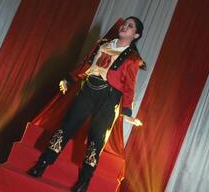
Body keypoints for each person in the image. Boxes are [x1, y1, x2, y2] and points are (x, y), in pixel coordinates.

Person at [27, 16, 145, 192]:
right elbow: (86, 65)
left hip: (109, 98)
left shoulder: (133, 59)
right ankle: (42, 163)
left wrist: (126, 111)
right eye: (124, 23)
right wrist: (69, 79)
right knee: (65, 128)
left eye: (130, 26)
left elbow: (129, 87)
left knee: (96, 140)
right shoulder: (102, 44)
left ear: (135, 35)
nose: (124, 27)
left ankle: (83, 183)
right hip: (88, 90)